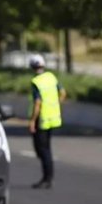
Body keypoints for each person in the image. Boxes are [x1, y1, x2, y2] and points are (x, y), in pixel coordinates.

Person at [28, 54, 66, 189]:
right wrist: (56, 106)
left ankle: (47, 178)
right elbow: (63, 93)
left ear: (32, 67)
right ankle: (48, 177)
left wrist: (32, 121)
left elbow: (37, 103)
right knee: (47, 149)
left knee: (42, 150)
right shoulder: (51, 77)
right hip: (53, 118)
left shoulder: (36, 82)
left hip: (42, 119)